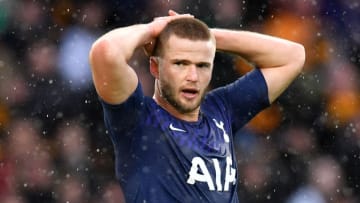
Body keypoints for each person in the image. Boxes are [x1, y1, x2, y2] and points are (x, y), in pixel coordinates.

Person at [89, 10, 305, 203]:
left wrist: (205, 36)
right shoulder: (138, 119)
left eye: (202, 65)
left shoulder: (221, 110)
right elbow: (106, 51)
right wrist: (154, 30)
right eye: (180, 63)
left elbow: (292, 56)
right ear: (155, 67)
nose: (193, 76)